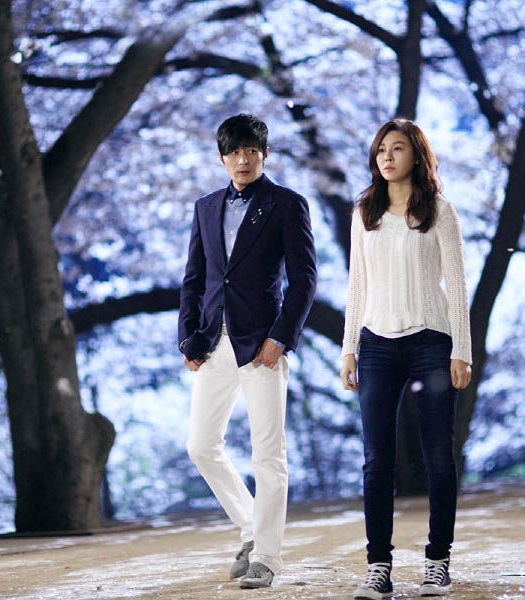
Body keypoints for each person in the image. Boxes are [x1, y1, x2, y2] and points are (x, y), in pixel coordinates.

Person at [178, 113, 317, 589]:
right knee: (201, 446)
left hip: (262, 346)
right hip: (213, 343)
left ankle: (267, 558)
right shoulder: (206, 207)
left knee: (268, 455)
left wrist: (281, 337)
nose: (243, 159)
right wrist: (187, 337)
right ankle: (251, 527)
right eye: (235, 152)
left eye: (252, 151)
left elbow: (304, 280)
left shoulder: (287, 204)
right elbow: (194, 279)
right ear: (222, 158)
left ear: (265, 154)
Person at [340, 119, 472, 598]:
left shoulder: (439, 209)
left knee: (439, 456)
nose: (387, 157)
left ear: (416, 154)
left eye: (397, 149)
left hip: (431, 343)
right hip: (376, 344)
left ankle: (438, 562)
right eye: (381, 150)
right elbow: (357, 285)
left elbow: (457, 282)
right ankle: (378, 567)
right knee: (377, 461)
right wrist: (349, 348)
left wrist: (462, 350)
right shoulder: (365, 210)